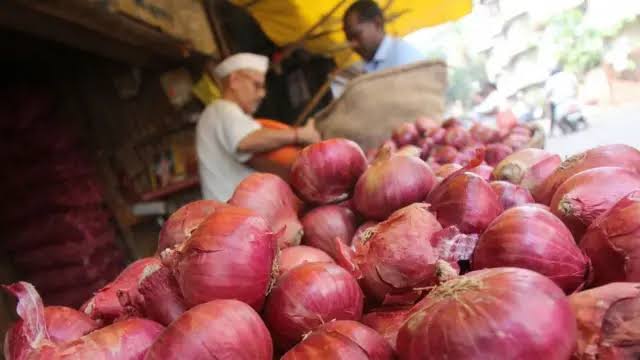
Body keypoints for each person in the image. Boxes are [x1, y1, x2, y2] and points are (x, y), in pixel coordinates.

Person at [196, 53, 321, 201]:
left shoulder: (220, 113)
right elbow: (246, 141)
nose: (262, 94)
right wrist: (300, 134)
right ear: (234, 80)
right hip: (232, 213)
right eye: (257, 85)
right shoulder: (223, 109)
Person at [342, 0, 425, 73]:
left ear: (377, 24)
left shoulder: (404, 59)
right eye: (348, 39)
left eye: (357, 35)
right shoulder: (368, 63)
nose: (352, 44)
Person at [545, 66, 579, 136]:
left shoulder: (551, 79)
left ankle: (565, 129)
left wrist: (548, 102)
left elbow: (548, 94)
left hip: (560, 102)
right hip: (571, 98)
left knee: (557, 119)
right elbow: (576, 85)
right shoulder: (568, 74)